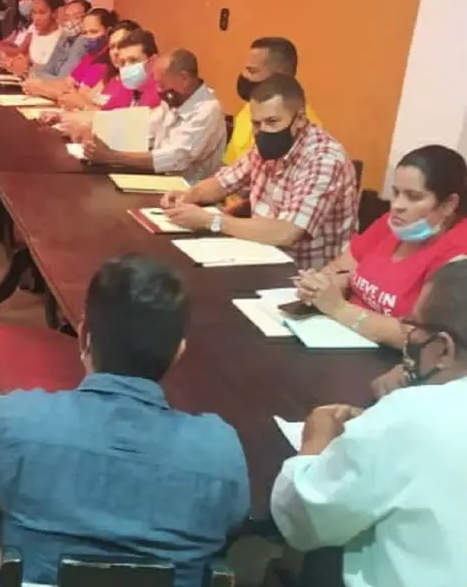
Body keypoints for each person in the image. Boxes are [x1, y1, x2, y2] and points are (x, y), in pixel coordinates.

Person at [0, 254, 249, 587]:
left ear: (84, 334)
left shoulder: (19, 422)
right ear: (179, 351)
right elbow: (232, 527)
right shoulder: (220, 454)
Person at [271, 259, 467, 587]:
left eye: (413, 325)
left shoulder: (411, 416)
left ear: (444, 348)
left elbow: (304, 520)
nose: (410, 335)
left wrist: (316, 441)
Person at [162, 75, 358, 270]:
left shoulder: (324, 158)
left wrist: (211, 221)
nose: (263, 131)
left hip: (305, 274)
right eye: (256, 123)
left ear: (299, 119)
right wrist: (189, 195)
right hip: (260, 254)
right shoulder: (266, 145)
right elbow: (223, 182)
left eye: (272, 121)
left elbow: (287, 232)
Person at [294, 145, 467, 348]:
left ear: (448, 204)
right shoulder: (392, 224)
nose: (397, 205)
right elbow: (339, 268)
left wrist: (339, 308)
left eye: (413, 196)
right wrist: (321, 285)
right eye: (396, 193)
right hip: (337, 334)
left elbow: (424, 339)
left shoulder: (458, 254)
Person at [81, 49, 225, 182]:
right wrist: (99, 134)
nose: (158, 90)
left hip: (186, 188)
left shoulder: (208, 109)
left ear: (184, 78)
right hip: (158, 180)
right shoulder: (174, 100)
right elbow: (144, 128)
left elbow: (176, 158)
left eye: (162, 85)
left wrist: (113, 156)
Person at [225, 37, 322, 165]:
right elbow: (230, 166)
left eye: (252, 71)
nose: (244, 75)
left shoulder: (298, 125)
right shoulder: (251, 109)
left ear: (278, 76)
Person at [17, 0, 91, 82]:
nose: (70, 22)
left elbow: (63, 80)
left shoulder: (83, 41)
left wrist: (30, 72)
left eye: (76, 17)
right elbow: (48, 69)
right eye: (66, 18)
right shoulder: (64, 37)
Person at [0, 0, 63, 76]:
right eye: (33, 12)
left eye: (42, 13)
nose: (36, 18)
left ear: (54, 13)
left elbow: (57, 72)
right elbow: (27, 60)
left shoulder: (63, 38)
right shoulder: (34, 34)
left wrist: (27, 69)